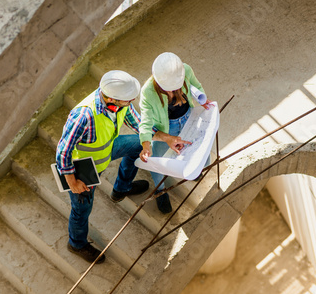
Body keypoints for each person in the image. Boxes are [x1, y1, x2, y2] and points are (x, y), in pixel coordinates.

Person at [56, 70, 149, 264]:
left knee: (139, 143)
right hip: (85, 168)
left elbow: (138, 123)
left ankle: (122, 188)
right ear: (112, 99)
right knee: (81, 209)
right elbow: (63, 152)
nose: (132, 100)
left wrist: (155, 139)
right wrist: (73, 182)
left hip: (107, 149)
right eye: (128, 99)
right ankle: (76, 243)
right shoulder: (83, 116)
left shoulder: (120, 103)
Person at [139, 52, 212, 214]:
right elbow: (145, 121)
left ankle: (196, 170)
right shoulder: (148, 92)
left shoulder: (185, 69)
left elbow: (196, 86)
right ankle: (160, 191)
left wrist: (202, 98)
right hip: (166, 128)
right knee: (156, 161)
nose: (174, 90)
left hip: (188, 117)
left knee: (199, 148)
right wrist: (146, 144)